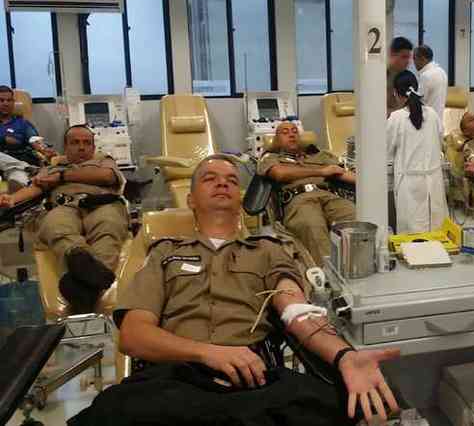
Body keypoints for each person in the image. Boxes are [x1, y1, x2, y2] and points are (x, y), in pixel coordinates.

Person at [68, 155, 399, 426]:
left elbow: (296, 312)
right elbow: (134, 336)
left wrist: (343, 355)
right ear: (190, 199)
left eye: (230, 179)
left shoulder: (269, 250)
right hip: (175, 380)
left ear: (241, 199)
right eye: (209, 178)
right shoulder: (164, 252)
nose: (222, 182)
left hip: (253, 382)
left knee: (348, 409)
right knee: (110, 413)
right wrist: (207, 352)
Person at [0, 125, 127, 313]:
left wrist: (61, 176)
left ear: (93, 147)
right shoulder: (52, 167)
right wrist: (12, 199)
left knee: (108, 228)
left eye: (87, 143)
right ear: (65, 147)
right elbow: (36, 187)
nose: (82, 147)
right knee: (54, 225)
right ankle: (77, 256)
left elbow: (107, 177)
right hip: (65, 206)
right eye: (75, 143)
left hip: (103, 203)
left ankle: (82, 288)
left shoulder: (103, 160)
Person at [259, 122, 356, 264]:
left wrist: (372, 183)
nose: (291, 134)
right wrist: (321, 172)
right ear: (276, 140)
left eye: (294, 131)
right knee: (313, 227)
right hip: (299, 199)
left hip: (328, 195)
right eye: (285, 132)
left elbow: (341, 173)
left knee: (355, 218)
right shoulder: (271, 158)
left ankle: (357, 270)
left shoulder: (320, 155)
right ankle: (329, 277)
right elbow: (279, 174)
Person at [387, 70, 448, 234]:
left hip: (410, 186)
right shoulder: (433, 115)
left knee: (412, 240)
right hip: (434, 182)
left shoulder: (396, 118)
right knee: (435, 233)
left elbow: (386, 154)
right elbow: (439, 141)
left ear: (396, 93)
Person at [0, 85, 56, 166]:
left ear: (13, 102)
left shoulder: (22, 123)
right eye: (1, 100)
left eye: (9, 100)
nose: (6, 104)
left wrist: (45, 150)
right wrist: (5, 139)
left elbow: (35, 140)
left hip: (18, 158)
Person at [413, 45, 448, 124]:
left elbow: (418, 102)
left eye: (414, 59)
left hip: (427, 123)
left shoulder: (426, 76)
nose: (413, 62)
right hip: (439, 121)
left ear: (422, 58)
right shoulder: (441, 71)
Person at [388, 37, 414, 112]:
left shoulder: (409, 78)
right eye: (404, 57)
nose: (408, 62)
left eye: (409, 58)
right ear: (392, 55)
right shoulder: (381, 78)